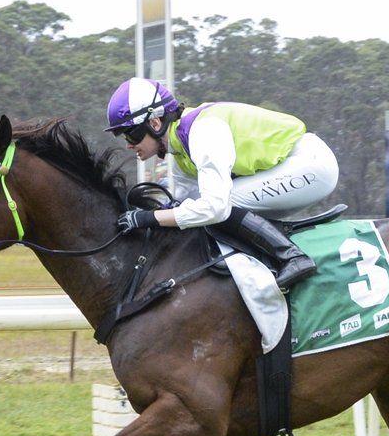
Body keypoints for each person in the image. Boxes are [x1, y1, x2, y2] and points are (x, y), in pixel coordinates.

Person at [103, 77, 340, 289]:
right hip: (291, 167)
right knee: (204, 210)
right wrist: (142, 216)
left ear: (155, 123)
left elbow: (214, 208)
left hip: (310, 164)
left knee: (222, 204)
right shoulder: (179, 151)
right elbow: (180, 206)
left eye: (132, 134)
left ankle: (292, 257)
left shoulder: (202, 132)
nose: (128, 144)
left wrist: (148, 219)